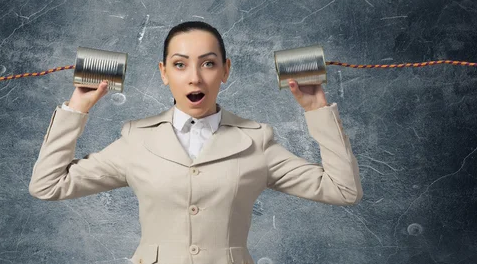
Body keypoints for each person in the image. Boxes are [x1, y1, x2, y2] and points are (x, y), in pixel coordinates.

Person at [28, 21, 363, 264]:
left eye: (208, 63)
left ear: (225, 70)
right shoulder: (137, 140)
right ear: (163, 73)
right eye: (179, 64)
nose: (195, 77)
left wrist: (318, 111)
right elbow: (48, 185)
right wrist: (76, 108)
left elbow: (343, 189)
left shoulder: (256, 141)